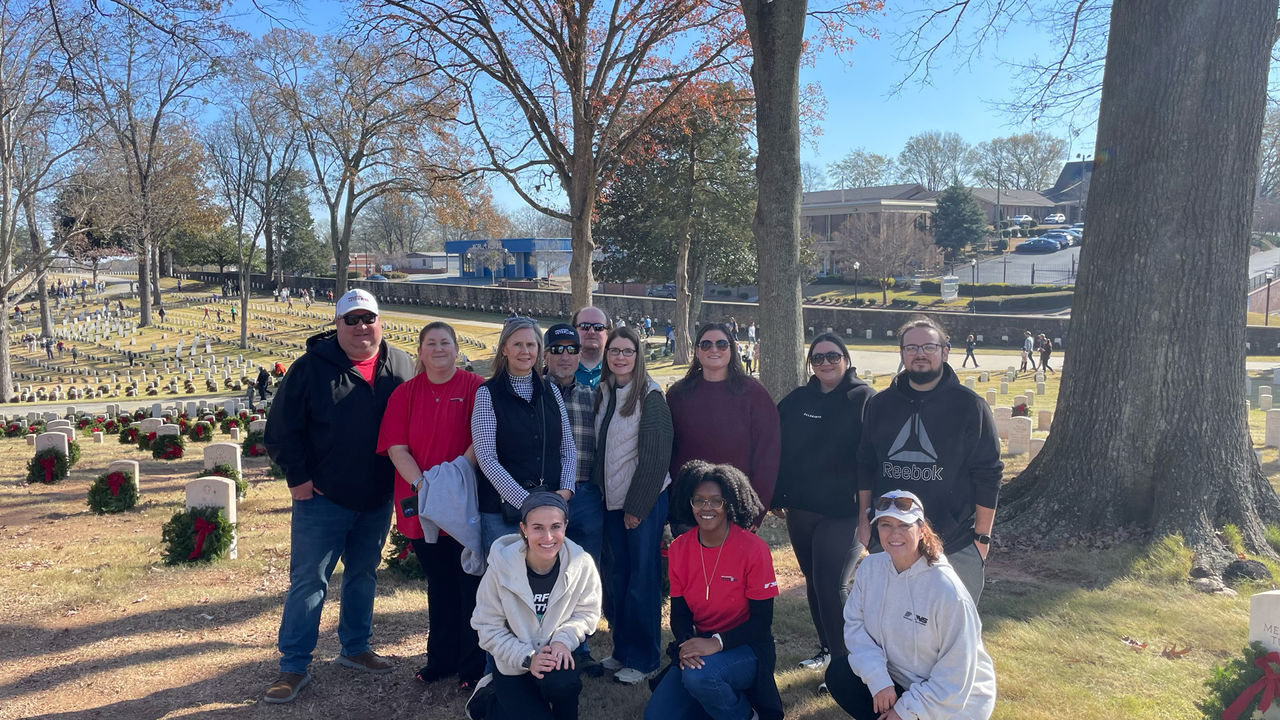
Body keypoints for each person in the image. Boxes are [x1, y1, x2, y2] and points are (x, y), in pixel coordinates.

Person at [262, 289, 414, 703]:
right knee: (309, 581)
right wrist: (298, 478)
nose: (361, 327)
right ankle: (294, 666)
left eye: (368, 318)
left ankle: (355, 647)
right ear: (337, 324)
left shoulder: (401, 364)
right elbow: (281, 429)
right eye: (352, 319)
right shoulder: (310, 368)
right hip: (322, 498)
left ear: (380, 322)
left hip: (376, 497)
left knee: (363, 574)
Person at [856, 317, 1001, 603]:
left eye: (929, 347)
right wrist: (864, 520)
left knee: (952, 625)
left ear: (945, 351)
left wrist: (982, 537)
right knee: (891, 620)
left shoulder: (970, 406)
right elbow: (865, 464)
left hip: (954, 542)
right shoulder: (880, 405)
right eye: (911, 347)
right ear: (902, 354)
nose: (919, 353)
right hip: (890, 540)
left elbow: (988, 474)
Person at [378, 321, 487, 688]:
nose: (439, 349)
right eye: (431, 343)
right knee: (439, 584)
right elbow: (397, 448)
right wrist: (425, 486)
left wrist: (453, 478)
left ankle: (472, 667)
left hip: (463, 502)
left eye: (445, 343)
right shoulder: (404, 394)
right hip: (421, 502)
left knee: (469, 585)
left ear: (456, 349)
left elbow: (481, 439)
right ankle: (440, 660)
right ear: (420, 352)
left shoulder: (476, 388)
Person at [824, 490, 996, 720]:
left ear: (922, 530)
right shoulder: (870, 568)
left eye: (904, 525)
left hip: (954, 699)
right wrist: (879, 680)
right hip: (901, 679)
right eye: (886, 525)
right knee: (840, 675)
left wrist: (906, 711)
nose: (894, 534)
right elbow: (855, 626)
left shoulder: (946, 590)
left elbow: (956, 672)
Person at [644, 461, 782, 720]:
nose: (706, 507)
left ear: (729, 504)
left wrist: (716, 643)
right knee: (657, 716)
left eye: (716, 501)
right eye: (699, 500)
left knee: (700, 678)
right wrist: (687, 646)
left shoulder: (753, 549)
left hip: (747, 646)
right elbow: (680, 615)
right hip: (701, 643)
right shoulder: (679, 548)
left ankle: (747, 716)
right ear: (690, 503)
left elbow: (761, 622)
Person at [774, 334, 874, 680]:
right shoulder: (797, 400)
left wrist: (869, 511)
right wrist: (775, 494)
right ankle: (828, 650)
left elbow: (872, 458)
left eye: (833, 356)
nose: (826, 363)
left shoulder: (864, 399)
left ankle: (849, 665)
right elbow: (776, 446)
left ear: (846, 358)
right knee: (814, 582)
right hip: (802, 509)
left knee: (831, 583)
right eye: (817, 358)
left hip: (845, 512)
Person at [468, 493, 602, 720]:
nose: (548, 537)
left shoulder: (581, 563)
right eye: (538, 528)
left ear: (565, 525)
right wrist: (528, 658)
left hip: (554, 655)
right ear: (523, 529)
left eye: (555, 526)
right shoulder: (501, 567)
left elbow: (587, 613)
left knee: (565, 685)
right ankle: (487, 700)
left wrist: (563, 641)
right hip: (515, 661)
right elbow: (487, 626)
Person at [591, 326, 673, 684]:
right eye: (615, 351)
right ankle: (622, 649)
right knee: (618, 577)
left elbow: (655, 458)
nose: (620, 357)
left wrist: (636, 508)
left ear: (638, 356)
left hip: (643, 501)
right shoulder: (606, 391)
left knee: (642, 578)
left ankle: (644, 657)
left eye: (628, 351)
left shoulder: (650, 396)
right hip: (611, 502)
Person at [472, 317, 578, 556]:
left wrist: (566, 489)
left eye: (531, 345)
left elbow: (568, 448)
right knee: (506, 577)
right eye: (517, 344)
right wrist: (526, 502)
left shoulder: (551, 390)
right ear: (504, 349)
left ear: (538, 350)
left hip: (550, 512)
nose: (525, 351)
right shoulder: (487, 394)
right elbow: (487, 458)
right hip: (503, 514)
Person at [667, 323, 780, 527]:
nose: (714, 349)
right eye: (706, 345)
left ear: (732, 349)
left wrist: (756, 511)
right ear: (697, 351)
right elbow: (666, 450)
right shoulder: (677, 395)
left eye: (721, 344)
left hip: (737, 508)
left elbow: (767, 456)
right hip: (687, 506)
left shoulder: (754, 394)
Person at [542, 322, 604, 673]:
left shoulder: (592, 396)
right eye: (557, 350)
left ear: (580, 355)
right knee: (546, 570)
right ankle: (545, 642)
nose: (565, 356)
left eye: (571, 350)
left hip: (585, 494)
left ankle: (579, 647)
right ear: (546, 355)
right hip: (546, 496)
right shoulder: (535, 393)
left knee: (583, 571)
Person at [572, 306, 610, 388]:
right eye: (585, 326)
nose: (591, 332)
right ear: (574, 331)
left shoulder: (619, 370)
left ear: (607, 333)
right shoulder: (561, 370)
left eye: (598, 327)